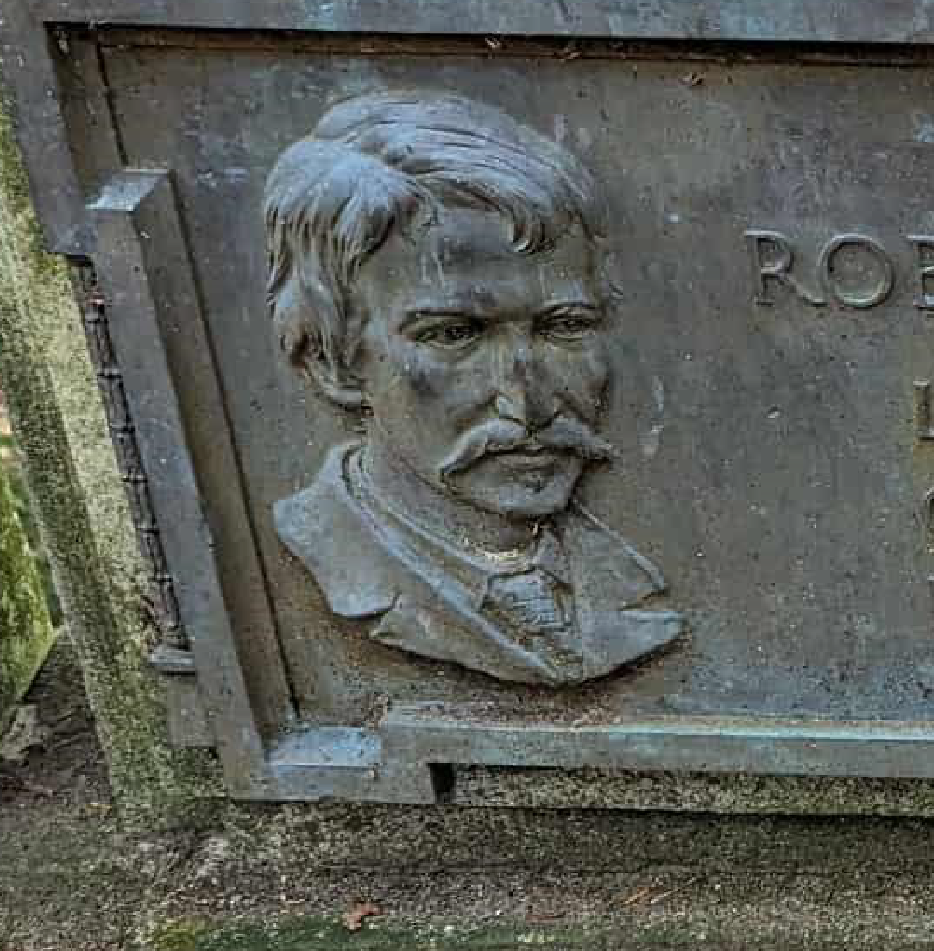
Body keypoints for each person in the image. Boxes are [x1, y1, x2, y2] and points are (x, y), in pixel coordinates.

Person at [261, 91, 681, 687]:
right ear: (333, 361)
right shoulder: (312, 560)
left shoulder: (628, 587)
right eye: (455, 335)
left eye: (565, 327)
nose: (528, 404)